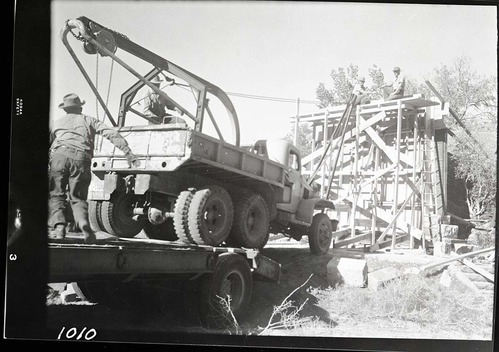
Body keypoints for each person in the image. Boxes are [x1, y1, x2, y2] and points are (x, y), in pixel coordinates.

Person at [49, 93, 140, 243]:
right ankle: (84, 224)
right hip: (81, 159)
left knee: (57, 194)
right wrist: (127, 152)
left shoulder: (56, 123)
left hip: (59, 156)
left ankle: (59, 228)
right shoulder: (89, 120)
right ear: (80, 107)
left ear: (65, 109)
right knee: (78, 198)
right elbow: (110, 133)